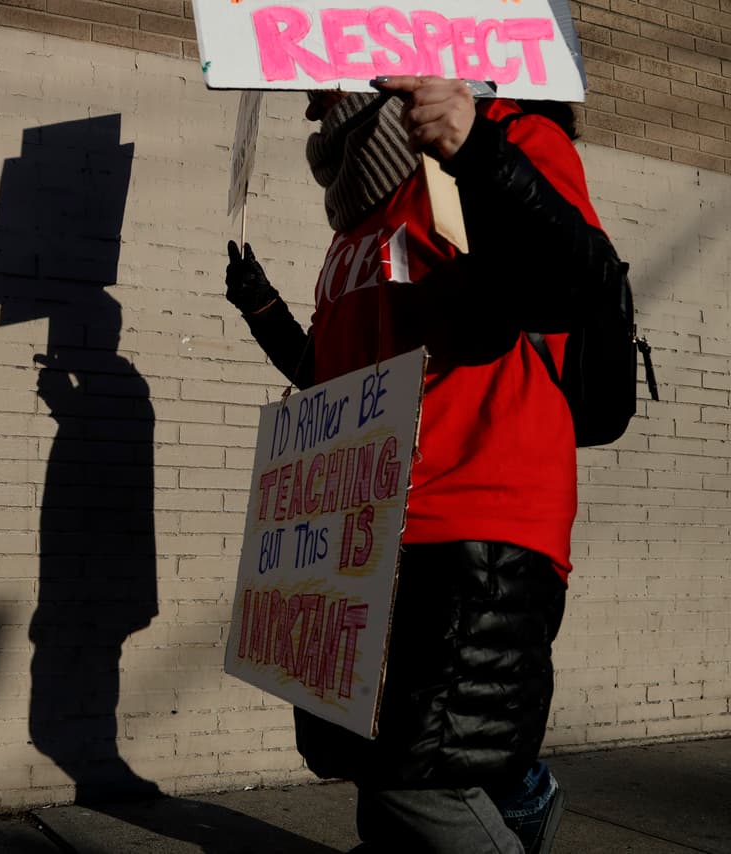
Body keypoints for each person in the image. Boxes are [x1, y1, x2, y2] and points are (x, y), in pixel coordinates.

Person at [224, 76, 628, 853]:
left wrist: (476, 148)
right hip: (368, 534)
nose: (305, 87)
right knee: (373, 771)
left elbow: (574, 286)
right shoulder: (361, 215)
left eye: (320, 62)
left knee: (411, 776)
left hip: (475, 521)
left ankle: (515, 795)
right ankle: (517, 790)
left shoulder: (509, 138)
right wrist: (266, 310)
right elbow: (343, 383)